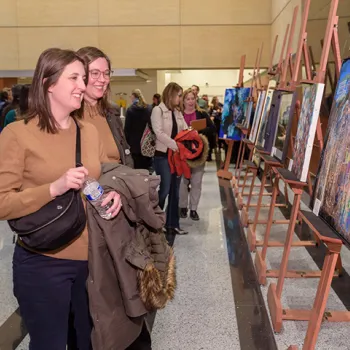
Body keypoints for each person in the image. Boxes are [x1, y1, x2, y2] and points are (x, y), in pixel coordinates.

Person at [0, 48, 123, 350]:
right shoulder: (17, 134)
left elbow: (93, 179)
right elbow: (3, 203)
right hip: (43, 262)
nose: (83, 85)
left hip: (93, 260)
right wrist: (53, 188)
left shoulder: (89, 132)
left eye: (83, 77)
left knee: (89, 342)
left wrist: (111, 194)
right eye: (74, 78)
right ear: (48, 83)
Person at [76, 46, 133, 167]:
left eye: (106, 73)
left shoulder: (112, 112)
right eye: (95, 73)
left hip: (119, 181)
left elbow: (125, 154)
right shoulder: (68, 115)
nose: (102, 79)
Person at [151, 82, 188, 236]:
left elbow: (185, 129)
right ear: (171, 95)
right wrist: (175, 145)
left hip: (176, 156)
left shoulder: (178, 112)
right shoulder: (157, 110)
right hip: (163, 156)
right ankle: (155, 222)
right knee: (164, 190)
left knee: (175, 191)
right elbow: (158, 133)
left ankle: (173, 224)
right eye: (179, 96)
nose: (180, 99)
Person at [179, 88, 215, 220]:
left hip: (198, 154)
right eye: (187, 99)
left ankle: (193, 209)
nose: (190, 101)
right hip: (182, 154)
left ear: (196, 100)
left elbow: (212, 129)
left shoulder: (202, 114)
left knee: (196, 182)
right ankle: (182, 207)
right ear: (183, 100)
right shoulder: (178, 114)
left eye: (192, 98)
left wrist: (199, 131)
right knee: (183, 182)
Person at [124, 89, 152, 170]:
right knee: (145, 170)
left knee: (136, 170)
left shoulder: (130, 110)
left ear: (133, 97)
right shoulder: (148, 108)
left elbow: (127, 129)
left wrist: (126, 144)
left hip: (134, 146)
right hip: (146, 144)